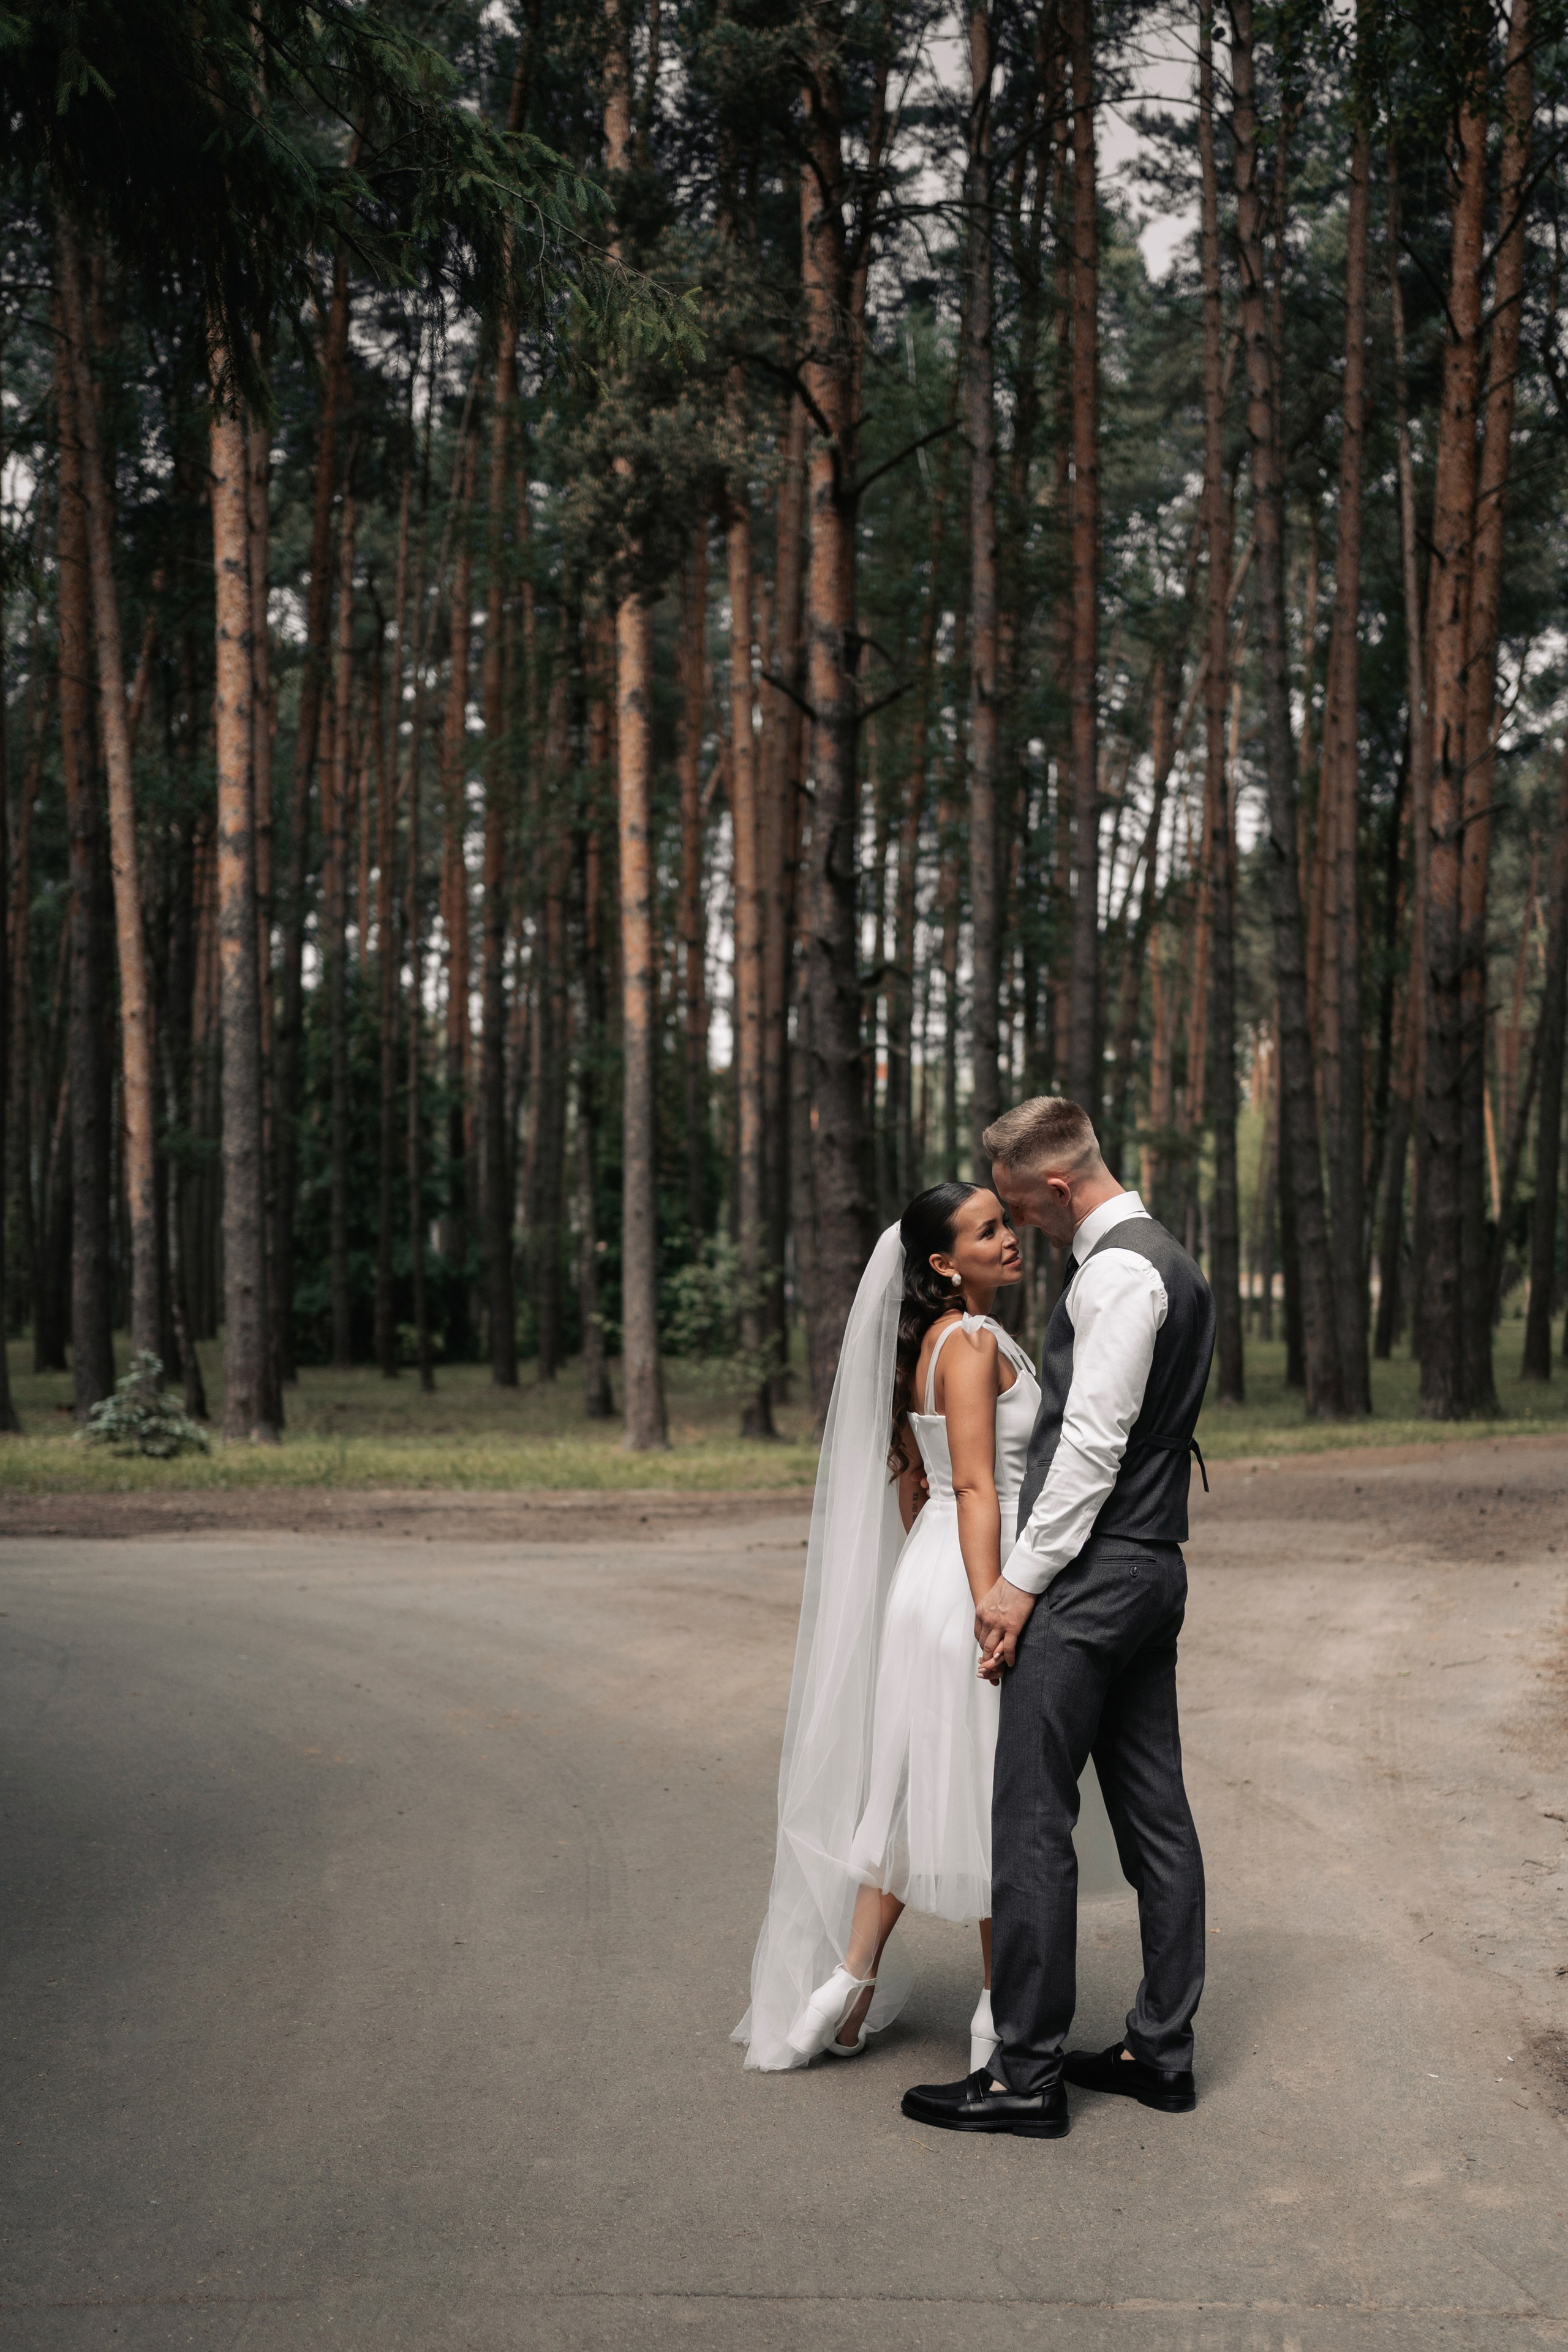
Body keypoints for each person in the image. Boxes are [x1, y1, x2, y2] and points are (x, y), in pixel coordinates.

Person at [733, 1181, 1126, 2076]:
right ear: (945, 1263)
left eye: (1006, 1222)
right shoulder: (976, 1344)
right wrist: (992, 1601)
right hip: (974, 1575)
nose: (1009, 1239)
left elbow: (921, 1484)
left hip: (933, 1573)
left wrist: (942, 1577)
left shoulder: (937, 1343)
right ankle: (998, 2011)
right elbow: (982, 1487)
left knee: (916, 1790)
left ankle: (843, 1987)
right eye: (988, 1232)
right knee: (998, 1795)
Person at [900, 1096, 1216, 2139]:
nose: (1025, 1233)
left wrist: (1019, 1584)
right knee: (1153, 1812)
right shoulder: (1166, 1256)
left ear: (1054, 1187)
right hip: (1151, 1563)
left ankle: (1025, 2075)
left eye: (1025, 1215)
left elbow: (1090, 1448)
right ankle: (1158, 2053)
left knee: (1031, 1815)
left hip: (1093, 1573)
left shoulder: (1120, 1271)